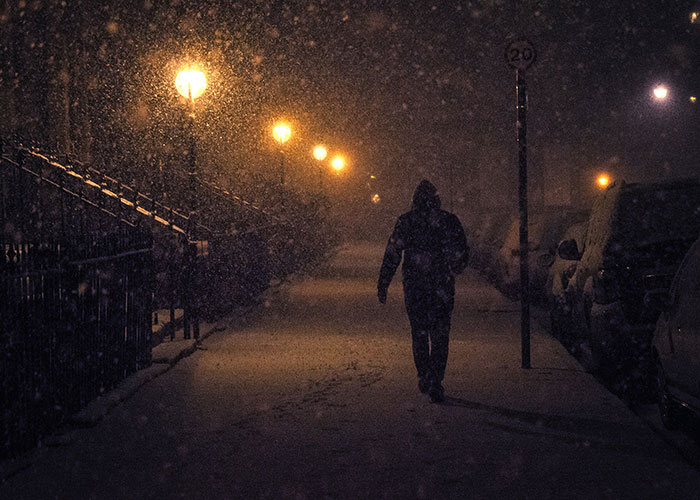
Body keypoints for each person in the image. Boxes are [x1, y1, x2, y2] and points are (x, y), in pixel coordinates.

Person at [377, 179, 469, 403]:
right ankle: (435, 378)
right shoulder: (448, 221)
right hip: (441, 286)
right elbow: (461, 252)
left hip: (415, 285)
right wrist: (455, 266)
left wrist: (384, 282)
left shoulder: (407, 221)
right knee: (440, 335)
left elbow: (393, 253)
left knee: (419, 332)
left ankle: (424, 373)